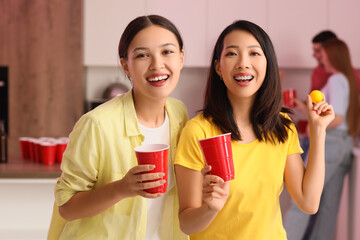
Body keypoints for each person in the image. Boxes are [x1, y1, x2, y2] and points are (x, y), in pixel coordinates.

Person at [174, 20, 335, 240]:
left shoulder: (282, 128)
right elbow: (187, 224)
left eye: (254, 53)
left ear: (268, 64)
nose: (243, 63)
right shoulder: (198, 131)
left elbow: (309, 203)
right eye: (232, 54)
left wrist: (318, 131)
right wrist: (210, 208)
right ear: (219, 67)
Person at [47, 15, 189, 240]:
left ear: (181, 58)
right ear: (126, 65)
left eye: (167, 52)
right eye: (142, 55)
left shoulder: (180, 115)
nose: (157, 65)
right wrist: (121, 188)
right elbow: (66, 206)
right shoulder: (97, 125)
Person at [285, 39, 360, 240]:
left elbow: (338, 117)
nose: (319, 56)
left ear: (332, 54)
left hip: (331, 144)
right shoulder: (345, 80)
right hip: (343, 145)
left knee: (300, 200)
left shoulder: (336, 80)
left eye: (322, 52)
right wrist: (304, 107)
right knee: (328, 209)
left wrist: (314, 126)